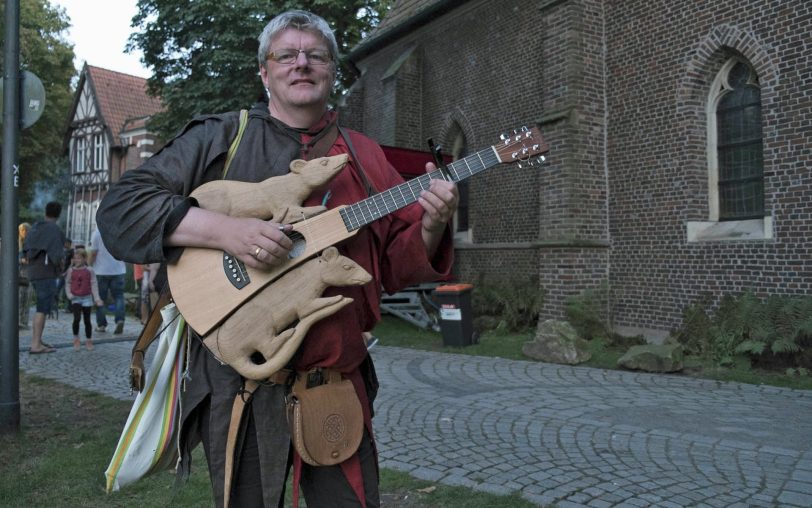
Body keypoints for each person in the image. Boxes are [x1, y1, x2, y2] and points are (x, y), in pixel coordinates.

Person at [96, 9, 458, 508]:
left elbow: (391, 267)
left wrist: (432, 225)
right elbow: (123, 208)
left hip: (333, 385)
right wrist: (228, 232)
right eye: (286, 55)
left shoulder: (365, 154)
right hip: (239, 389)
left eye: (315, 56)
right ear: (265, 72)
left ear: (332, 72)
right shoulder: (222, 137)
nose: (301, 64)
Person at [23, 201, 67, 354]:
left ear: (45, 212)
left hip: (33, 271)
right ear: (59, 214)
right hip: (46, 272)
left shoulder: (36, 227)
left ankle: (38, 340)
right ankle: (35, 345)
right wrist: (61, 267)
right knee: (42, 308)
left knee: (41, 307)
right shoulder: (54, 230)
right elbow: (57, 254)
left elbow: (26, 248)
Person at [65, 247, 104, 350]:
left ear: (84, 259)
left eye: (79, 258)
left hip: (87, 298)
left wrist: (97, 298)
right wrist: (69, 294)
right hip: (75, 298)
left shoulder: (89, 270)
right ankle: (76, 339)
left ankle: (89, 340)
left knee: (87, 320)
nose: (76, 260)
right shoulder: (70, 271)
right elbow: (68, 283)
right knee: (76, 319)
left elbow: (94, 284)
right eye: (75, 258)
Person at [89, 227, 126, 334]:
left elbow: (93, 254)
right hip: (118, 270)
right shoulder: (120, 232)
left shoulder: (97, 233)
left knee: (100, 298)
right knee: (119, 297)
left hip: (101, 271)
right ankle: (120, 320)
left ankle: (101, 325)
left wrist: (89, 266)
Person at [18, 222, 32, 330]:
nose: (24, 233)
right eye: (22, 230)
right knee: (18, 298)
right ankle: (17, 321)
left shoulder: (32, 244)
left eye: (26, 230)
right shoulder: (16, 244)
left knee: (27, 298)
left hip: (28, 274)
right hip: (17, 274)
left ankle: (24, 321)